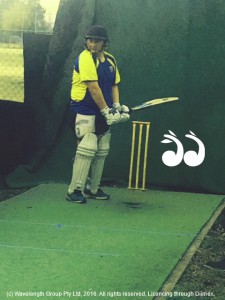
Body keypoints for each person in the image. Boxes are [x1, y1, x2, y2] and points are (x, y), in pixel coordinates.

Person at [67, 24, 130, 204]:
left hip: (103, 109)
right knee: (87, 147)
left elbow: (113, 84)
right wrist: (106, 111)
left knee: (102, 149)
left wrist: (116, 105)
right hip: (84, 109)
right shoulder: (85, 58)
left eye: (97, 41)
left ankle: (92, 188)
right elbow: (93, 88)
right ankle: (74, 190)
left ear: (104, 43)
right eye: (90, 40)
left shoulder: (110, 60)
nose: (93, 44)